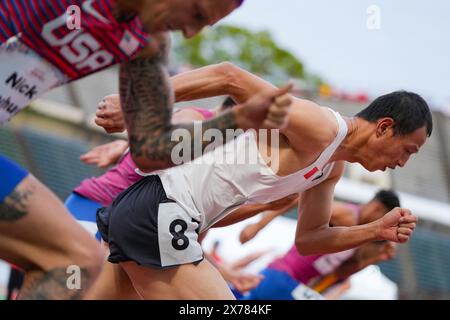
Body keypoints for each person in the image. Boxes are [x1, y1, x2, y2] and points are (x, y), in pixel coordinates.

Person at [95, 63, 430, 299]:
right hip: (162, 212)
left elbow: (310, 239)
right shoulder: (320, 127)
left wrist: (374, 232)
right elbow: (229, 76)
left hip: (157, 217)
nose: (401, 163)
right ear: (384, 127)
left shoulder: (331, 168)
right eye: (407, 151)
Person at [242, 190, 399, 300]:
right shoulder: (348, 215)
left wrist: (377, 257)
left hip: (283, 282)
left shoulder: (360, 236)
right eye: (384, 218)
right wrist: (259, 225)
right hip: (282, 278)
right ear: (377, 208)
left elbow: (341, 273)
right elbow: (301, 199)